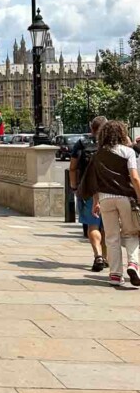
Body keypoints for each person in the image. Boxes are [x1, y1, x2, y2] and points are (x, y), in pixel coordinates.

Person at [80, 121, 140, 286]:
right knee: (131, 233)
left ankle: (115, 274)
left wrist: (95, 202)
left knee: (112, 236)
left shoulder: (98, 154)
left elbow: (95, 182)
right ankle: (133, 264)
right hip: (126, 198)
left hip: (105, 199)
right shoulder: (128, 152)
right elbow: (134, 178)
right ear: (122, 134)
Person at [70, 116, 107, 272]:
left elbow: (72, 167)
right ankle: (106, 258)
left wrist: (73, 186)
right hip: (110, 190)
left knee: (93, 225)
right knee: (107, 226)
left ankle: (97, 254)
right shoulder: (112, 144)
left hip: (88, 190)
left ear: (91, 128)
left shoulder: (81, 143)